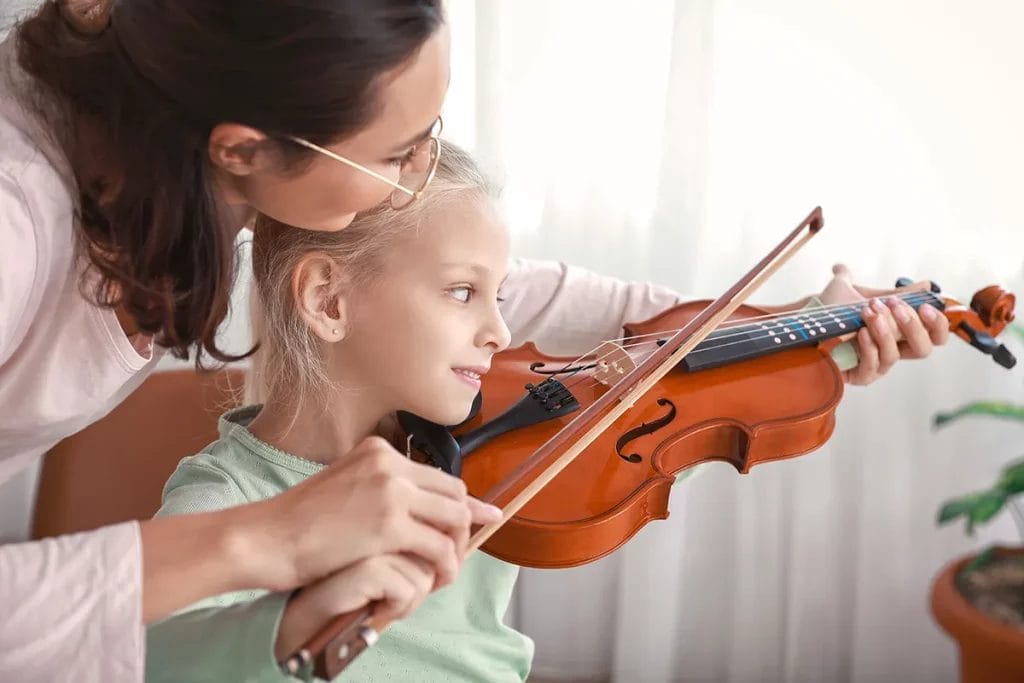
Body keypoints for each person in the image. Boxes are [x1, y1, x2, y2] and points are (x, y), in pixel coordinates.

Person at [147, 141, 949, 681]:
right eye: (464, 291)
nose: (500, 329)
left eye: (499, 294)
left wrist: (821, 326)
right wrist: (289, 626)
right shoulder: (225, 501)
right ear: (328, 298)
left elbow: (675, 364)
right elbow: (162, 657)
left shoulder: (492, 433)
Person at [0, 2, 504, 681]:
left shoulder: (184, 128)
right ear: (240, 148)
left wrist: (671, 323)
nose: (416, 176)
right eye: (396, 154)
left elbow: (424, 266)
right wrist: (268, 537)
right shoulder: (14, 230)